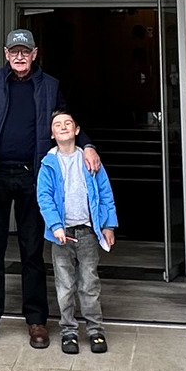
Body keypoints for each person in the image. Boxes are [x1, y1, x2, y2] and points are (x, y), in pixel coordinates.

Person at [0, 29, 99, 349]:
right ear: (6, 54)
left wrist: (87, 145)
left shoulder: (49, 86)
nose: (19, 57)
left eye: (25, 51)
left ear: (35, 54)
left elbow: (64, 123)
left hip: (33, 177)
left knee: (32, 251)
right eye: (14, 51)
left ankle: (37, 321)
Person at [36, 108, 117, 353]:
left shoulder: (90, 160)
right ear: (51, 133)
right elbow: (44, 198)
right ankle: (68, 330)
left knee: (89, 282)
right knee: (65, 284)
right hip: (62, 234)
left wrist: (108, 225)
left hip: (88, 232)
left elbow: (105, 195)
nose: (63, 127)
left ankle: (95, 329)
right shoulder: (48, 164)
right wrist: (55, 226)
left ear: (77, 130)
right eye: (57, 124)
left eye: (68, 123)